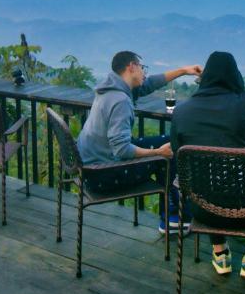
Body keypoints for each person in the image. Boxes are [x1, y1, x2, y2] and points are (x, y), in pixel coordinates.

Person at [169, 51, 245, 281]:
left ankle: (219, 252)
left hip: (203, 210)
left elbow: (178, 156)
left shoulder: (181, 111)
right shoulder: (244, 104)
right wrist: (241, 89)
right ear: (235, 76)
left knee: (209, 183)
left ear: (204, 78)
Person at [77, 51, 202, 233]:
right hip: (102, 175)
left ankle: (172, 215)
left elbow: (148, 84)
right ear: (131, 67)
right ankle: (174, 216)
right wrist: (157, 152)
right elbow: (121, 150)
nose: (144, 73)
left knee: (169, 142)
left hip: (90, 169)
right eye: (142, 68)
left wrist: (183, 71)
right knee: (167, 153)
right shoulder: (120, 101)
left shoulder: (110, 90)